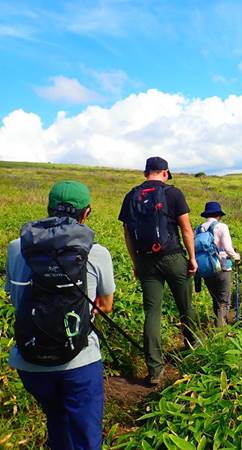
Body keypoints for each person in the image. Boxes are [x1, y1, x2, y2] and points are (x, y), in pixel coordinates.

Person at [6, 180, 115, 450]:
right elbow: (106, 305)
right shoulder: (97, 252)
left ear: (48, 208)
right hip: (80, 360)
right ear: (86, 213)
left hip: (29, 361)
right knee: (86, 435)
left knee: (57, 419)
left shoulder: (15, 248)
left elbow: (14, 296)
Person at [118, 156, 199, 385]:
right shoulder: (173, 193)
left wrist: (136, 263)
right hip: (173, 256)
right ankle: (193, 350)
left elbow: (127, 234)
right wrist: (192, 258)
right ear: (165, 172)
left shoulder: (131, 196)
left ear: (146, 173)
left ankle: (155, 369)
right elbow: (186, 228)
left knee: (152, 312)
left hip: (145, 261)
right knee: (185, 305)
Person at [196, 201, 241, 327]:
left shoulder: (199, 228)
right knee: (224, 301)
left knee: (215, 299)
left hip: (206, 268)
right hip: (222, 266)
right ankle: (221, 331)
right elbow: (227, 247)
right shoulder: (221, 227)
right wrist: (236, 257)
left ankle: (218, 324)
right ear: (218, 215)